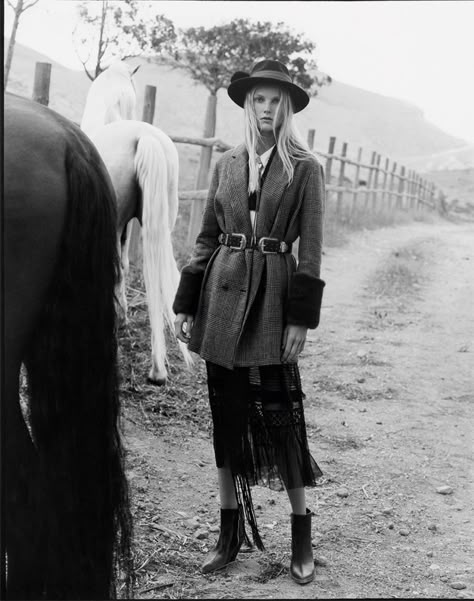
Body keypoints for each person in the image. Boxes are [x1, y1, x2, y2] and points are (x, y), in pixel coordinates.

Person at [173, 59, 326, 585]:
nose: (266, 109)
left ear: (286, 108)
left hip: (273, 300)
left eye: (275, 101)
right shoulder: (226, 163)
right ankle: (228, 533)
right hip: (220, 295)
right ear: (247, 104)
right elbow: (206, 237)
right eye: (258, 99)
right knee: (226, 418)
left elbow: (312, 254)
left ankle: (301, 532)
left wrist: (300, 320)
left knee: (283, 418)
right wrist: (185, 302)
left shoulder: (306, 167)